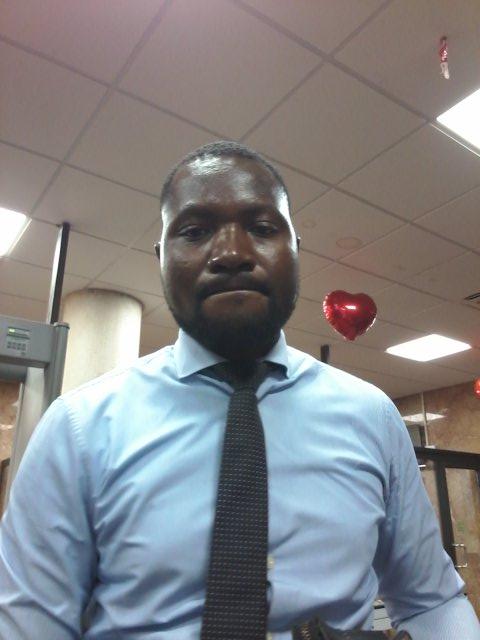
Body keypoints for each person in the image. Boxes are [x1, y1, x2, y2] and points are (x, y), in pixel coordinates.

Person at [0, 141, 479, 640]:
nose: (231, 253)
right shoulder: (78, 429)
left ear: (296, 250)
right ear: (162, 258)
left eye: (263, 228)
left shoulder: (371, 417)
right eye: (195, 231)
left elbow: (433, 601)